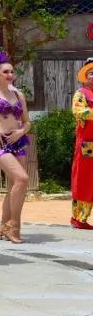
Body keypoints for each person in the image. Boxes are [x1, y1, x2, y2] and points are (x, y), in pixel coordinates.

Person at [0, 52, 31, 243]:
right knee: (22, 178)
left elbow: (27, 122)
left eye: (11, 72)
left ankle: (3, 225)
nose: (10, 75)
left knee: (13, 186)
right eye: (5, 72)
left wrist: (20, 132)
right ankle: (14, 227)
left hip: (18, 141)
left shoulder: (18, 94)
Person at [70, 57, 93, 230]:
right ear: (85, 76)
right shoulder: (81, 94)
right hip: (88, 144)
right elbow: (79, 111)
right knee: (85, 179)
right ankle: (79, 218)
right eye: (91, 73)